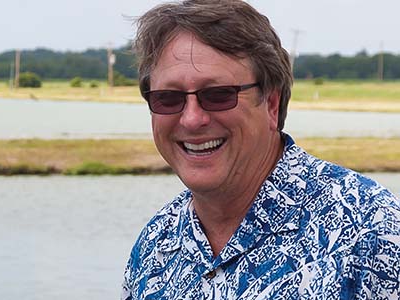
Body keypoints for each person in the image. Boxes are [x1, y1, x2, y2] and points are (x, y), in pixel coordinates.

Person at [121, 0, 400, 299]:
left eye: (218, 95)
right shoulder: (155, 246)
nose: (191, 119)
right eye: (169, 98)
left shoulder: (371, 232)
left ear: (271, 104)